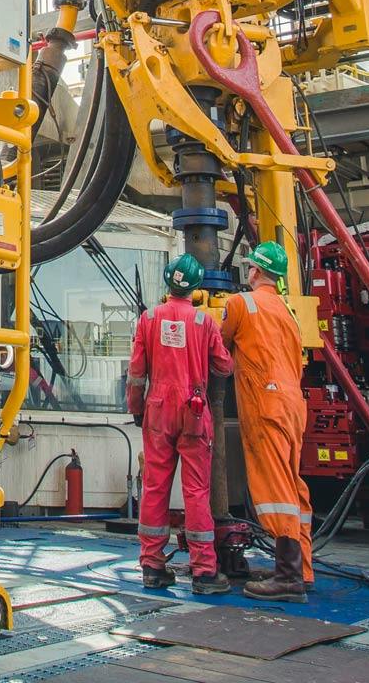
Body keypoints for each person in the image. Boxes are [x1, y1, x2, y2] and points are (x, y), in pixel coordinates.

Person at [126, 253, 234, 594]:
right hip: (194, 409)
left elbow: (136, 373)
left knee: (155, 488)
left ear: (168, 282)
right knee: (197, 491)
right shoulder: (204, 322)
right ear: (197, 287)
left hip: (157, 410)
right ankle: (204, 572)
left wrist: (136, 408)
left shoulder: (149, 318)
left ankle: (152, 566)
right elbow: (224, 367)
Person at [220, 239, 313, 599]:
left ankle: (287, 578)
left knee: (274, 490)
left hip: (265, 403)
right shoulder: (288, 311)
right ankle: (302, 568)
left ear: (254, 270)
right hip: (293, 404)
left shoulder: (240, 304)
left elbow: (220, 347)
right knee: (293, 486)